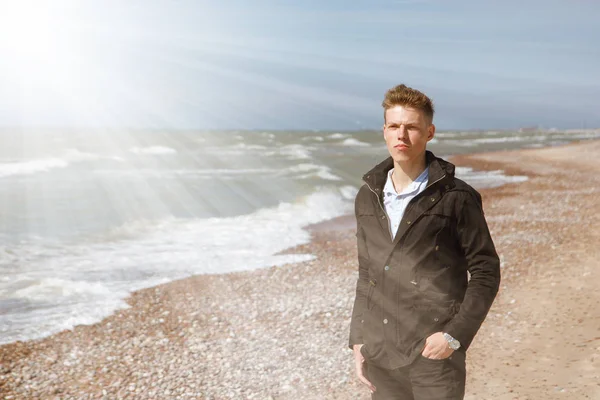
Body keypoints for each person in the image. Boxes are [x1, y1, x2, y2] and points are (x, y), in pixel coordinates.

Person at [348, 84, 501, 399]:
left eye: (411, 127)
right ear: (384, 131)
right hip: (381, 354)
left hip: (434, 354)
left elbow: (486, 271)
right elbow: (367, 273)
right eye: (394, 126)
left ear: (429, 132)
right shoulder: (368, 196)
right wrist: (358, 340)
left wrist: (454, 337)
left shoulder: (457, 197)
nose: (401, 135)